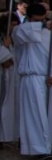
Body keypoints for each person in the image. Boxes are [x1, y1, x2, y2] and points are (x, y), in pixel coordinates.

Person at [14, 3, 52, 160]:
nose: (40, 24)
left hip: (49, 78)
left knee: (48, 114)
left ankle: (46, 145)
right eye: (37, 20)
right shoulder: (21, 31)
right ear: (29, 19)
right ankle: (39, 149)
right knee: (35, 114)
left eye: (43, 20)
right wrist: (36, 25)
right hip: (32, 77)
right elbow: (27, 34)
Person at [0, 18, 20, 147]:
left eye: (16, 25)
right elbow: (6, 62)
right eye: (12, 24)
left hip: (14, 78)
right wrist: (5, 48)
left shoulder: (17, 39)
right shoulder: (3, 39)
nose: (14, 27)